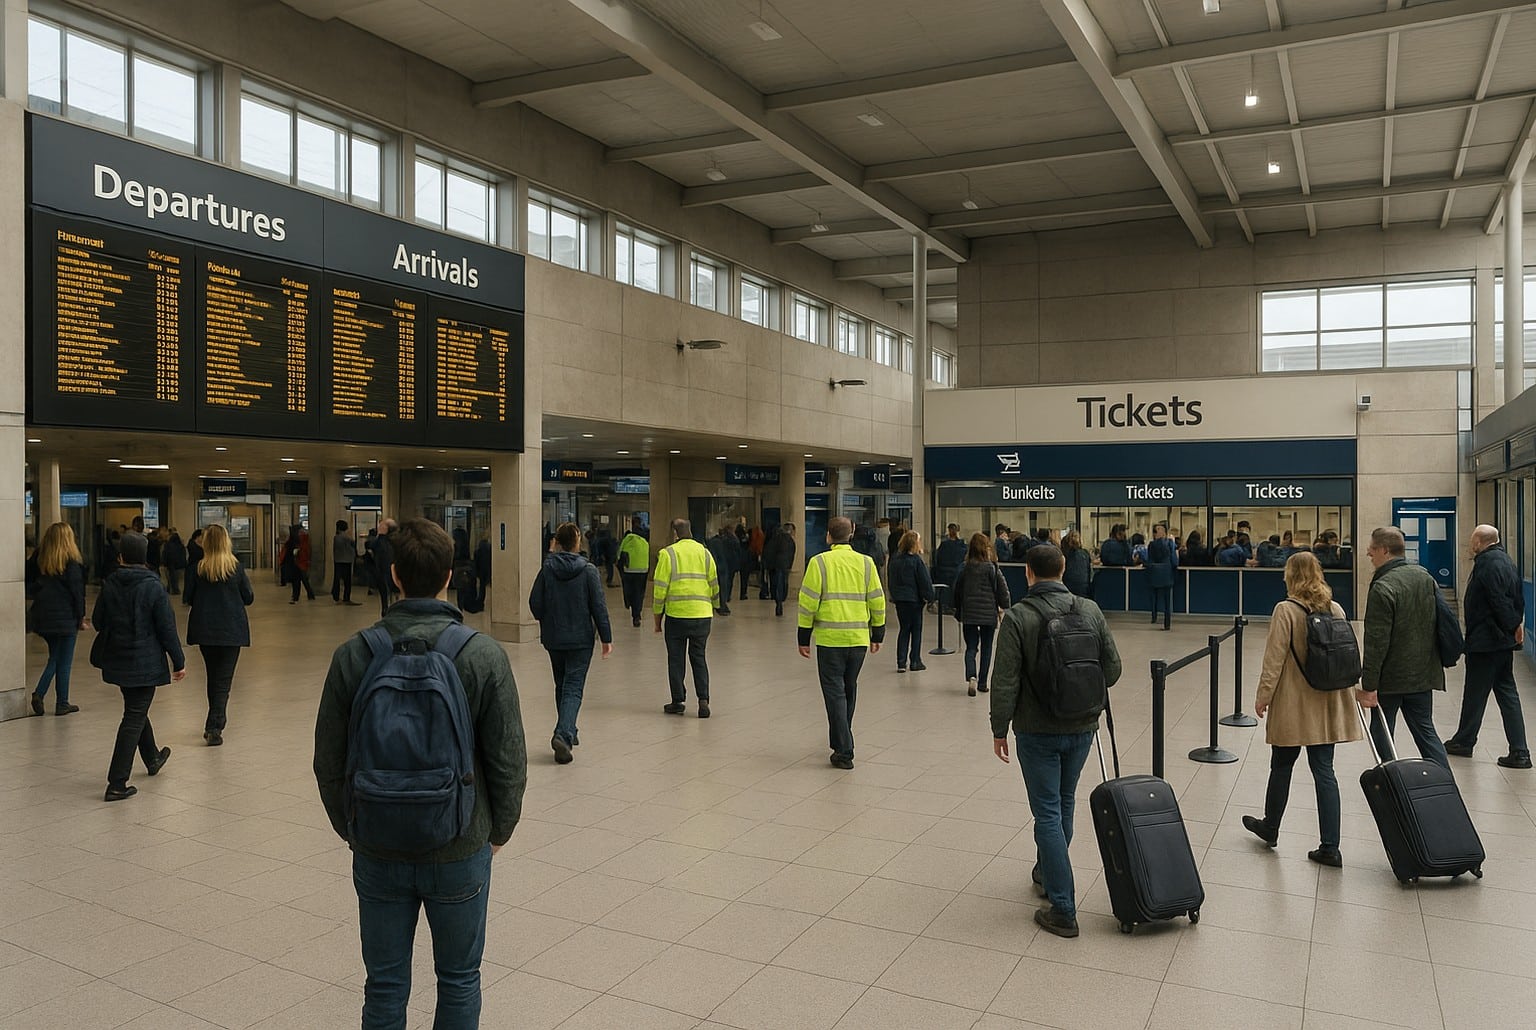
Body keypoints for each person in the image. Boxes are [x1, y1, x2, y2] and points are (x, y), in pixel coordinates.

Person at [314, 518, 527, 1028]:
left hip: (378, 845)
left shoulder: (354, 655)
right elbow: (507, 760)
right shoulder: (482, 655)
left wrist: (353, 827)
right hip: (460, 841)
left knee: (384, 985)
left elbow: (328, 761)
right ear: (449, 576)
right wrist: (498, 831)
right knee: (459, 980)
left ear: (393, 575)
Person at [991, 544, 1122, 939]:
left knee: (1047, 812)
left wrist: (999, 728)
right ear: (1064, 569)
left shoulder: (1018, 617)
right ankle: (1048, 873)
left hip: (1036, 730)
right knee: (1064, 803)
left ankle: (1063, 908)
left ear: (1027, 573)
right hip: (1082, 727)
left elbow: (1005, 680)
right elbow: (1112, 670)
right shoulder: (1090, 610)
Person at [1240, 551, 1363, 867]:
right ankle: (1330, 846)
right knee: (1325, 770)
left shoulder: (1286, 610)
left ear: (1291, 575)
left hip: (1295, 701)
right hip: (1327, 701)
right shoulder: (1335, 608)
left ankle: (1271, 826)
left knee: (1282, 764)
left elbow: (1274, 659)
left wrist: (1262, 696)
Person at [92, 531, 185, 802]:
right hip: (144, 663)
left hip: (119, 660)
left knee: (135, 708)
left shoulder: (110, 584)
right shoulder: (153, 586)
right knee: (133, 716)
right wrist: (178, 661)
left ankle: (153, 757)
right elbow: (166, 628)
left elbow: (98, 621)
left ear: (121, 557)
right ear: (145, 558)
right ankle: (117, 782)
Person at [797, 516, 886, 769]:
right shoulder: (867, 564)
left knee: (834, 693)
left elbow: (807, 603)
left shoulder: (819, 563)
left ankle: (844, 749)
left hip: (830, 639)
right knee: (849, 688)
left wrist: (803, 637)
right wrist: (877, 633)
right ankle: (842, 740)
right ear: (853, 533)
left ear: (828, 536)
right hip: (858, 640)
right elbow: (877, 601)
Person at [1359, 526, 1450, 771]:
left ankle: (1391, 780)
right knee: (1425, 731)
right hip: (1423, 672)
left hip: (1392, 677)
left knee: (1382, 732)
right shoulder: (1424, 577)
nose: (1369, 553)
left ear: (1385, 551)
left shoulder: (1383, 587)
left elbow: (1376, 641)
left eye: (1373, 549)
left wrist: (1369, 685)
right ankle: (1444, 780)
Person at [1445, 525, 1530, 768]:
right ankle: (1519, 750)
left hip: (1487, 641)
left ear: (1481, 542)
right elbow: (1517, 598)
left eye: (1473, 540)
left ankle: (1464, 741)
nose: (1470, 544)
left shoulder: (1487, 563)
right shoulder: (1506, 561)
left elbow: (1498, 599)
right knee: (1507, 693)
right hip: (1501, 642)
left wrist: (1512, 623)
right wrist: (1515, 626)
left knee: (1475, 693)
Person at [529, 523, 613, 765]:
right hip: (580, 639)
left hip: (554, 638)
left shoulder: (547, 569)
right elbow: (598, 606)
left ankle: (568, 729)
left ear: (557, 541)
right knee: (573, 687)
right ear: (577, 542)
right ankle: (563, 734)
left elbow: (535, 603)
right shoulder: (588, 571)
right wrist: (606, 638)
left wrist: (546, 619)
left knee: (561, 684)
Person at [186, 524, 254, 747]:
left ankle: (213, 722)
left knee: (213, 676)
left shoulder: (197, 568)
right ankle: (214, 726)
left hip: (205, 629)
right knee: (223, 680)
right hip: (231, 630)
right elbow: (248, 597)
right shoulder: (236, 568)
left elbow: (188, 597)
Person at [654, 518, 720, 718]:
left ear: (675, 534)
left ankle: (678, 701)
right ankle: (703, 700)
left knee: (676, 659)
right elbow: (714, 584)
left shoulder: (668, 554)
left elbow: (660, 589)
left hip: (676, 615)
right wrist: (714, 606)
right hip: (702, 615)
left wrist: (657, 618)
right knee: (698, 657)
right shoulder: (705, 553)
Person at [28, 521, 87, 717]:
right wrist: (81, 617)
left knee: (56, 657)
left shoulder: (39, 559)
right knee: (62, 660)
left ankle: (62, 701)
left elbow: (28, 582)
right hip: (65, 619)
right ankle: (45, 695)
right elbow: (77, 593)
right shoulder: (72, 563)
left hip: (43, 617)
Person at [952, 532, 1010, 698]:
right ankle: (983, 682)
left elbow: (957, 590)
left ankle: (972, 676)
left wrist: (957, 610)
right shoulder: (992, 567)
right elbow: (1002, 590)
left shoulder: (964, 568)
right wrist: (1005, 607)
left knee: (971, 647)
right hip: (988, 614)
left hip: (969, 613)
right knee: (986, 648)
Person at [887, 530, 934, 674]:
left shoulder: (895, 559)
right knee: (916, 630)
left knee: (904, 629)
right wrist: (930, 597)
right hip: (914, 600)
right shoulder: (916, 561)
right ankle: (915, 660)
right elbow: (924, 581)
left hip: (900, 600)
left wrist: (894, 596)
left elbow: (890, 580)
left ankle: (901, 662)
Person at [617, 517, 651, 627]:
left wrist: (619, 563)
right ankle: (637, 615)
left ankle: (630, 605)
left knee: (629, 591)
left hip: (629, 570)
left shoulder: (628, 537)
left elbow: (619, 552)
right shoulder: (646, 538)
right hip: (642, 570)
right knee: (639, 593)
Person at [1146, 522, 1178, 630]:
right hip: (1166, 572)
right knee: (1167, 601)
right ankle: (1167, 623)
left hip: (1154, 572)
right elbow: (1174, 561)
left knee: (1153, 597)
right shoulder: (1170, 543)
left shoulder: (1151, 545)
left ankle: (1154, 617)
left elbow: (1148, 560)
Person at [763, 522, 797, 617]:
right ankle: (780, 600)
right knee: (783, 584)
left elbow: (768, 551)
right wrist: (789, 566)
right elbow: (791, 555)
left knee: (777, 584)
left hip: (775, 566)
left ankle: (778, 601)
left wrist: (768, 565)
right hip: (784, 566)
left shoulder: (775, 538)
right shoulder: (790, 541)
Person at [706, 523, 741, 615]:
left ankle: (719, 604)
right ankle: (721, 605)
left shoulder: (715, 542)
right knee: (723, 586)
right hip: (724, 567)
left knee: (720, 587)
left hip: (720, 566)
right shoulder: (727, 541)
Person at [933, 523, 967, 606]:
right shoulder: (962, 545)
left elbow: (938, 558)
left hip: (944, 572)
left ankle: (945, 605)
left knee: (945, 591)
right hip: (956, 571)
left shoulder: (944, 545)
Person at [281, 524, 316, 604]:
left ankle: (297, 597)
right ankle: (309, 595)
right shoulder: (304, 538)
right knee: (303, 580)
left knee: (298, 580)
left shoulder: (297, 539)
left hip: (298, 562)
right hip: (301, 562)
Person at [332, 520, 359, 605]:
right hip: (347, 560)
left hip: (338, 560)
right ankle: (346, 598)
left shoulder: (336, 537)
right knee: (347, 580)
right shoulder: (347, 537)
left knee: (337, 579)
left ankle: (336, 596)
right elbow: (353, 546)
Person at [374, 518, 398, 616]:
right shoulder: (394, 539)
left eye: (382, 524)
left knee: (386, 592)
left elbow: (373, 545)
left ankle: (387, 610)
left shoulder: (383, 540)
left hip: (385, 570)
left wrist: (380, 535)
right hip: (389, 569)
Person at [1061, 530, 1092, 598]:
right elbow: (1089, 572)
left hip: (1067, 589)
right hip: (1084, 589)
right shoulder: (1085, 554)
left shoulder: (1064, 555)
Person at [182, 529, 204, 605]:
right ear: (198, 536)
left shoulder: (200, 544)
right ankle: (186, 599)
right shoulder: (192, 544)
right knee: (189, 583)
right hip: (191, 566)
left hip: (197, 566)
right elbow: (197, 554)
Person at [162, 530, 186, 596]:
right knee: (176, 578)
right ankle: (174, 589)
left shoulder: (168, 545)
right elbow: (183, 555)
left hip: (171, 563)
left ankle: (171, 588)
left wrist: (164, 563)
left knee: (171, 577)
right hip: (178, 564)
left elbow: (165, 554)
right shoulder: (181, 545)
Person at [472, 534, 492, 614]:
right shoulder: (489, 549)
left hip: (481, 571)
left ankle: (479, 602)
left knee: (481, 587)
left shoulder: (477, 551)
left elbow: (475, 562)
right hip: (488, 569)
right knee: (483, 587)